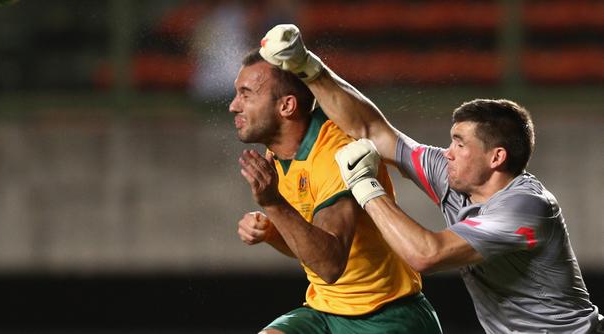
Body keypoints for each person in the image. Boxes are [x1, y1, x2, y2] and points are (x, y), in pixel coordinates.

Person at [257, 23, 604, 333]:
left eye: (460, 144)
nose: (447, 152)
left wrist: (365, 187)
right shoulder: (456, 175)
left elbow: (427, 255)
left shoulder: (525, 210)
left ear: (496, 158)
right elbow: (372, 130)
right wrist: (308, 68)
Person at [231, 49, 443, 333]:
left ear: (287, 106)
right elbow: (312, 249)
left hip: (388, 314)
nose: (234, 105)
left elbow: (330, 264)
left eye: (246, 94)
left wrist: (274, 205)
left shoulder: (336, 153)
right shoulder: (276, 155)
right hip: (325, 311)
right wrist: (272, 232)